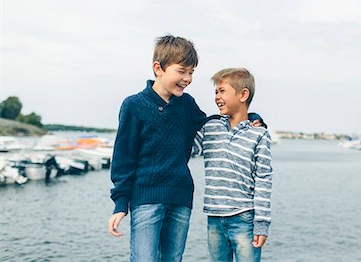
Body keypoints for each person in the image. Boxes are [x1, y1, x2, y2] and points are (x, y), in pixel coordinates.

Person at [108, 35, 207, 262]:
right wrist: (121, 203)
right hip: (146, 197)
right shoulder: (134, 105)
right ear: (158, 68)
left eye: (191, 72)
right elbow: (123, 158)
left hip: (180, 196)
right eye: (182, 71)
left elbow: (212, 127)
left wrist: (249, 117)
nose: (188, 78)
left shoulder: (187, 104)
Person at [192, 68, 273, 262]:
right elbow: (186, 149)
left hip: (244, 218)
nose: (217, 97)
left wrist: (262, 223)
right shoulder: (209, 128)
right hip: (214, 217)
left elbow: (264, 180)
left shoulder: (259, 134)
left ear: (243, 94)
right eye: (216, 92)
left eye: (222, 91)